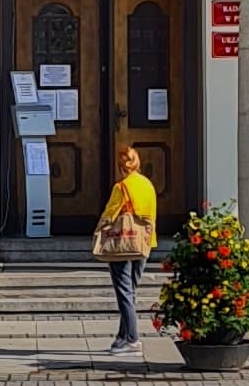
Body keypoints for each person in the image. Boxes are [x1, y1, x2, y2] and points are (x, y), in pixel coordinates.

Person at [94, 143, 158, 355]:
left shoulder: (121, 187)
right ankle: (122, 337)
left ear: (121, 167)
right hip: (144, 242)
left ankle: (131, 339)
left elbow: (110, 214)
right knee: (131, 290)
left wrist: (98, 232)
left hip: (122, 244)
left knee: (124, 291)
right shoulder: (147, 184)